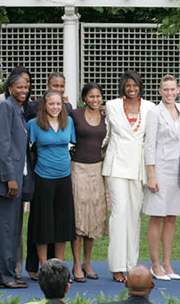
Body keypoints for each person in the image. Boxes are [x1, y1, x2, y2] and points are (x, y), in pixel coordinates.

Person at [102, 70, 155, 283]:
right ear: (122, 87)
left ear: (140, 86)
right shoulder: (112, 105)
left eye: (135, 85)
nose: (131, 89)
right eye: (128, 85)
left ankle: (132, 266)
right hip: (116, 166)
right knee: (119, 214)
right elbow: (104, 133)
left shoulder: (150, 108)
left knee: (134, 216)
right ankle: (117, 266)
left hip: (138, 167)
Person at [0, 66, 32, 280]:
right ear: (10, 88)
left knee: (11, 230)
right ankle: (2, 276)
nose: (24, 90)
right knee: (3, 230)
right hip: (5, 180)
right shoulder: (4, 107)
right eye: (19, 86)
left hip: (15, 178)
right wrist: (10, 178)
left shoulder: (17, 109)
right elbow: (2, 145)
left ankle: (9, 274)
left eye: (26, 87)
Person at [144, 74, 180, 281]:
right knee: (157, 216)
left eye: (173, 89)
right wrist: (151, 175)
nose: (170, 93)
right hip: (160, 169)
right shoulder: (154, 113)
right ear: (160, 91)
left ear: (177, 90)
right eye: (166, 90)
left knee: (171, 217)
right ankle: (155, 265)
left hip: (178, 170)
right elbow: (149, 144)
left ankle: (167, 264)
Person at [26, 90, 76, 267]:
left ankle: (60, 265)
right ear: (44, 105)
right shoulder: (33, 124)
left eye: (58, 104)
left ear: (62, 105)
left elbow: (72, 145)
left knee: (62, 222)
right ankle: (44, 266)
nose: (55, 107)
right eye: (51, 104)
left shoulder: (68, 122)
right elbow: (29, 150)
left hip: (64, 177)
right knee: (43, 222)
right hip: (43, 178)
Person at [70, 83, 108, 283]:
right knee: (79, 218)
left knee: (93, 219)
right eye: (91, 96)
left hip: (97, 170)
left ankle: (87, 263)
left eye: (98, 96)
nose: (95, 99)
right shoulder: (75, 115)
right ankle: (76, 264)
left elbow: (108, 141)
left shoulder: (104, 117)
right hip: (78, 169)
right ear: (84, 98)